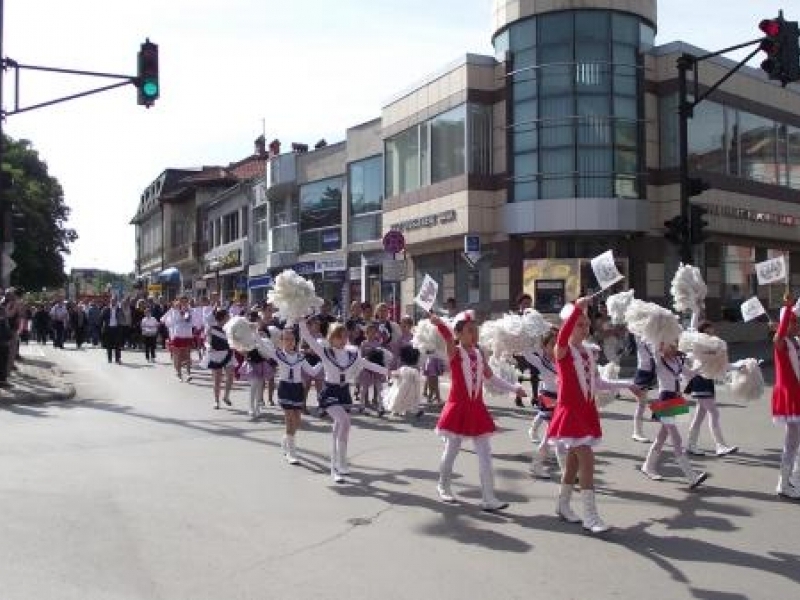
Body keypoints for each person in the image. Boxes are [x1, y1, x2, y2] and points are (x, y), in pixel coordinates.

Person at [547, 298, 640, 533]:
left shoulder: (589, 353)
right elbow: (562, 336)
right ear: (568, 325)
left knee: (573, 464)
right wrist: (578, 307)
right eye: (579, 324)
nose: (584, 328)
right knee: (587, 460)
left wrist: (627, 383)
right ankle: (590, 517)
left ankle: (562, 505)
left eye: (586, 324)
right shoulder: (563, 351)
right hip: (570, 412)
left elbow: (598, 383)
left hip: (587, 412)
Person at [429, 310, 527, 512]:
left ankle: (488, 497)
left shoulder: (479, 353)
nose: (474, 334)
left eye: (476, 330)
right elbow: (447, 336)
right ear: (458, 334)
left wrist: (514, 388)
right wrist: (438, 322)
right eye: (469, 331)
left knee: (485, 452)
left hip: (477, 409)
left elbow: (491, 378)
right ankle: (443, 485)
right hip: (458, 408)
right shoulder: (455, 352)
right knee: (452, 450)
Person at [299, 318, 388, 483]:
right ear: (331, 338)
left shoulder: (351, 354)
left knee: (339, 428)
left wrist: (389, 371)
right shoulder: (325, 352)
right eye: (339, 336)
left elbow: (366, 364)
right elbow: (308, 337)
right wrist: (301, 321)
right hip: (330, 391)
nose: (343, 339)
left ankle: (339, 463)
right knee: (345, 421)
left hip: (344, 392)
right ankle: (336, 466)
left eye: (345, 336)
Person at [639, 340, 709, 489]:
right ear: (662, 344)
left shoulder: (677, 360)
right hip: (665, 398)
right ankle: (692, 477)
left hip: (676, 399)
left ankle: (647, 466)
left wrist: (705, 362)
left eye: (676, 344)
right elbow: (646, 343)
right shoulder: (658, 359)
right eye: (671, 344)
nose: (674, 346)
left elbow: (690, 374)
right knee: (676, 438)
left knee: (662, 436)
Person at [261, 328, 320, 464]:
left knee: (297, 421)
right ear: (281, 341)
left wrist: (324, 361)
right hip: (285, 388)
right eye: (286, 339)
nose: (289, 342)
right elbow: (264, 347)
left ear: (295, 341)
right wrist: (254, 335)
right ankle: (291, 453)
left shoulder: (300, 357)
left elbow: (312, 371)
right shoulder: (279, 355)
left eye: (292, 339)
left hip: (298, 389)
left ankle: (286, 440)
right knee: (289, 418)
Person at [684, 321, 739, 457]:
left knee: (699, 416)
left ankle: (691, 445)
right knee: (714, 413)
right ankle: (719, 445)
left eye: (712, 332)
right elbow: (694, 358)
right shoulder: (697, 347)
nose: (710, 335)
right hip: (700, 380)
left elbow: (723, 364)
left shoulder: (715, 347)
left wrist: (740, 366)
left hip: (707, 381)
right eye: (707, 332)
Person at [523, 326, 565, 479]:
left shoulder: (562, 359)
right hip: (549, 399)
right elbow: (527, 354)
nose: (555, 346)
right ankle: (567, 472)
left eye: (557, 343)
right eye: (551, 344)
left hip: (562, 399)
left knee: (554, 435)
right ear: (544, 346)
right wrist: (528, 337)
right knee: (554, 435)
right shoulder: (542, 361)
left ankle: (539, 465)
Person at [770, 297, 800, 499]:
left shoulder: (795, 342)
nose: (798, 325)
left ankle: (790, 480)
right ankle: (785, 482)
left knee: (793, 441)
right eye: (795, 322)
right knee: (792, 441)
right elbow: (779, 335)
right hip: (790, 395)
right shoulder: (781, 342)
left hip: (796, 392)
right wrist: (788, 307)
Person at [358, 321, 392, 415]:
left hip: (377, 368)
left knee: (379, 387)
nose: (372, 334)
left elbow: (382, 355)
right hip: (367, 368)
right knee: (364, 388)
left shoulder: (378, 343)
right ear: (366, 333)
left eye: (374, 332)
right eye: (369, 332)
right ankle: (361, 405)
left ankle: (381, 407)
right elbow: (360, 356)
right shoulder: (363, 343)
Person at [206, 309, 235, 409]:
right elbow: (207, 341)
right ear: (223, 318)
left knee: (230, 377)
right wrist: (208, 346)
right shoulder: (212, 328)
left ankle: (226, 396)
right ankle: (216, 401)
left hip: (228, 354)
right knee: (217, 380)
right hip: (216, 355)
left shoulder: (231, 328)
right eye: (228, 316)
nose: (230, 317)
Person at [162, 297, 194, 381]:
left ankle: (188, 374)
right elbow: (168, 322)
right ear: (179, 302)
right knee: (178, 355)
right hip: (178, 335)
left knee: (188, 356)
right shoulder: (174, 311)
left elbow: (192, 321)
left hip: (187, 335)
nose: (184, 303)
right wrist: (180, 314)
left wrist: (187, 314)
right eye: (182, 302)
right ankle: (179, 374)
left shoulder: (191, 310)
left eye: (186, 302)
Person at [100, 297, 125, 364]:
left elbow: (123, 318)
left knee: (118, 345)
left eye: (114, 301)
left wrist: (121, 324)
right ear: (110, 302)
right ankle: (109, 358)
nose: (113, 302)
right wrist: (102, 328)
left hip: (117, 329)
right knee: (109, 344)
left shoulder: (119, 309)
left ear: (116, 302)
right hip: (108, 329)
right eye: (112, 301)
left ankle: (117, 359)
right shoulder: (106, 309)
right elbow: (101, 318)